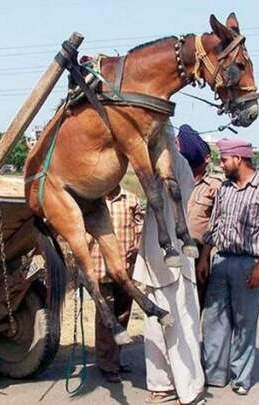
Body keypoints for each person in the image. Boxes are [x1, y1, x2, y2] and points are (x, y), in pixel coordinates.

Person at [198, 138, 259, 395]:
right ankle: (214, 374)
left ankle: (240, 378)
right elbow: (214, 226)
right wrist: (205, 257)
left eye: (224, 160)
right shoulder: (224, 188)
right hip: (221, 261)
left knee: (244, 323)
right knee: (213, 321)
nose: (221, 164)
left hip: (249, 263)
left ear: (239, 159)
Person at [133, 127, 206, 405]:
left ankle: (182, 388)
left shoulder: (174, 163)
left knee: (174, 326)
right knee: (163, 327)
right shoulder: (164, 163)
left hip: (170, 260)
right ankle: (169, 386)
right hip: (159, 259)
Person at [88, 185, 143, 383]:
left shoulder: (131, 199)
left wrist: (138, 245)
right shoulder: (91, 199)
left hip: (125, 271)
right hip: (99, 268)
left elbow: (140, 227)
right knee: (106, 319)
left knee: (122, 315)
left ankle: (115, 359)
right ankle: (107, 365)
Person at [176, 124, 222, 310]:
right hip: (175, 249)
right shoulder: (177, 182)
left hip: (198, 252)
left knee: (195, 303)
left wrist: (204, 258)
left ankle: (193, 339)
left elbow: (214, 226)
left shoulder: (215, 186)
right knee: (176, 301)